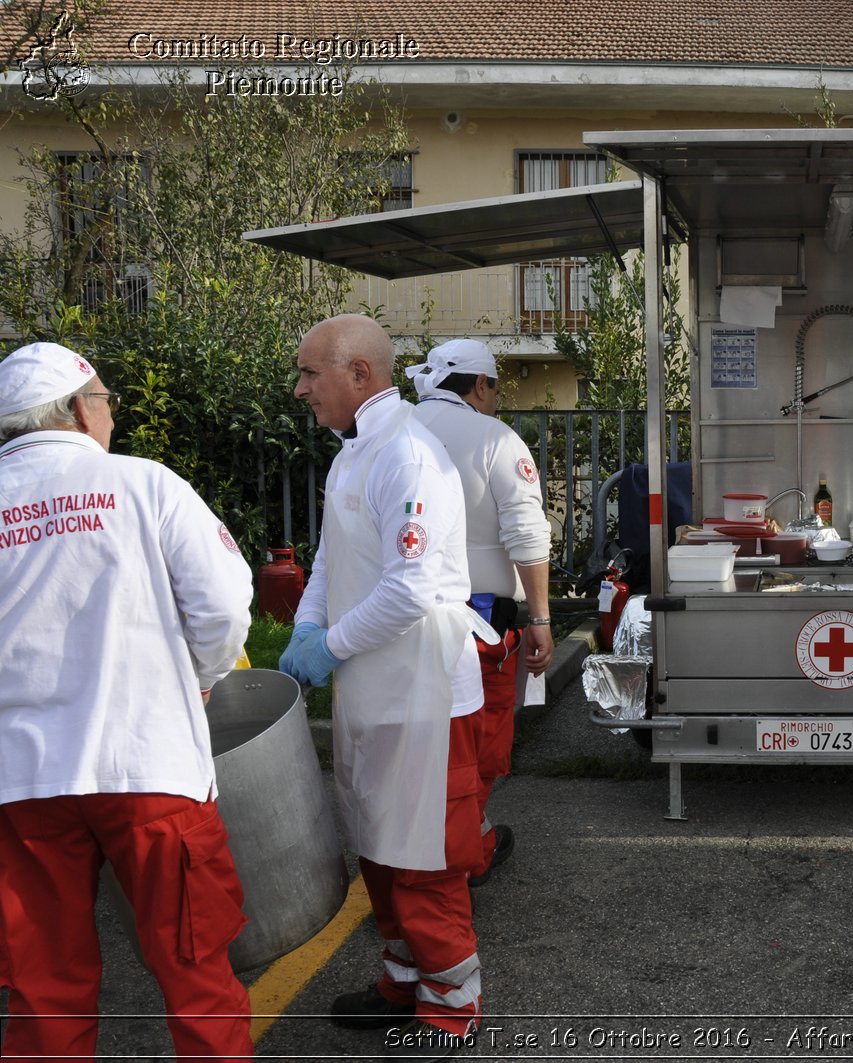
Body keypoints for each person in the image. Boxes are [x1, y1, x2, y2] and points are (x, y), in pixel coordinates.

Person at [0, 341, 256, 1060]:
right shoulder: (143, 484)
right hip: (147, 767)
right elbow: (224, 606)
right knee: (197, 974)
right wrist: (199, 680)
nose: (111, 413)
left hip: (22, 783)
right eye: (109, 399)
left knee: (43, 987)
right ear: (82, 408)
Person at [281, 314, 490, 1061]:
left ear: (360, 374)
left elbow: (412, 589)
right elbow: (334, 564)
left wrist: (328, 646)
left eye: (311, 373)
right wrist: (308, 630)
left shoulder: (409, 455)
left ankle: (453, 1006)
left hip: (423, 693)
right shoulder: (354, 455)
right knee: (378, 843)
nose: (301, 388)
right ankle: (405, 979)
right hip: (373, 690)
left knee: (423, 856)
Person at [406, 339, 553, 887]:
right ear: (481, 385)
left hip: (397, 623)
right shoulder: (496, 439)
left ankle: (438, 847)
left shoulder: (395, 433)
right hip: (480, 625)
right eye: (495, 388)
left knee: (416, 749)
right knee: (478, 747)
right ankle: (462, 856)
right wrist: (540, 616)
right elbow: (525, 532)